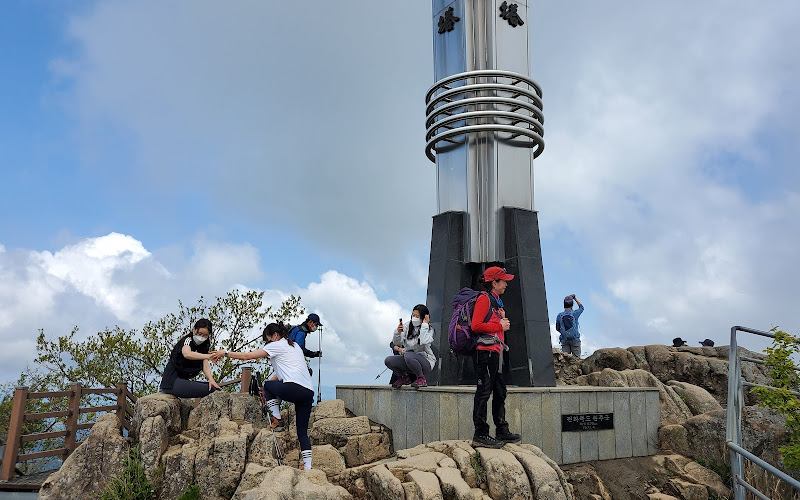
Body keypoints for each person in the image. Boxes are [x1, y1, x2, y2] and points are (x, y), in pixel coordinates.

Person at [219, 322, 315, 470]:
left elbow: (246, 356)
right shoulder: (294, 346)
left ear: (274, 336)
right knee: (302, 431)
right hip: (308, 392)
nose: (267, 343)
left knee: (268, 386)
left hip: (294, 388)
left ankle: (277, 419)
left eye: (267, 339)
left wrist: (225, 353)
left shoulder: (276, 345)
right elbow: (283, 373)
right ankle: (308, 467)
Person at [471, 266, 521, 448]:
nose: (506, 284)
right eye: (503, 281)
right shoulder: (484, 299)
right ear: (494, 283)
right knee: (483, 392)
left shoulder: (496, 301)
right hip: (485, 353)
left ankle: (502, 430)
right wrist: (499, 325)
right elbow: (475, 325)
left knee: (500, 391)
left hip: (496, 353)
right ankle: (480, 434)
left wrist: (500, 322)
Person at [160, 318, 223, 398]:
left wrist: (211, 379)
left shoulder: (203, 346)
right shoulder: (188, 340)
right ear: (194, 330)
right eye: (199, 334)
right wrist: (209, 356)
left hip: (182, 381)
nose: (202, 337)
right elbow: (187, 354)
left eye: (205, 335)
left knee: (213, 387)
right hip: (171, 382)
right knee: (211, 391)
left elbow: (204, 363)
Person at [384, 305, 436, 389]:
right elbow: (397, 342)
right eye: (413, 315)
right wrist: (398, 332)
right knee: (388, 361)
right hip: (408, 360)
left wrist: (424, 325)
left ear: (424, 317)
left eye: (417, 316)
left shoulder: (429, 330)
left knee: (408, 355)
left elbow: (423, 341)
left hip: (425, 362)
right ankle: (404, 377)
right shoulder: (408, 326)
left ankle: (421, 378)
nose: (414, 318)